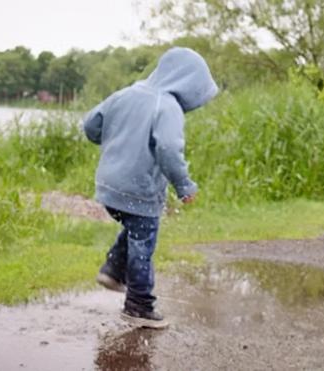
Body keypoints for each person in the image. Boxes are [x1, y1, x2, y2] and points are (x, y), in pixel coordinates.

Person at [82, 47, 218, 329]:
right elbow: (168, 149)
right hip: (139, 188)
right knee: (143, 243)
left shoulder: (125, 93)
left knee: (135, 229)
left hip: (108, 186)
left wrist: (114, 144)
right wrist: (184, 185)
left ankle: (112, 270)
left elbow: (90, 124)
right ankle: (139, 306)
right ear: (187, 82)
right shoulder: (167, 106)